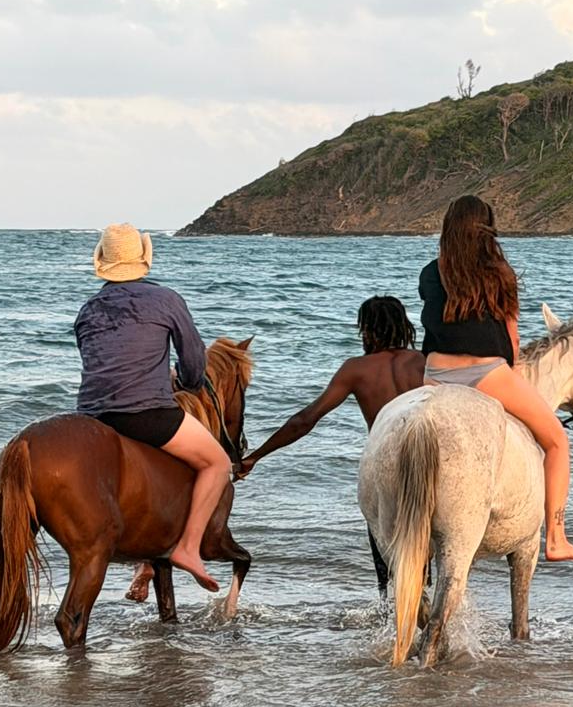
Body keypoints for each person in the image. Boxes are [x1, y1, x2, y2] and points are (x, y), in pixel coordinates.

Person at [419, 195, 573, 563]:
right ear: (487, 229)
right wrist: (512, 373)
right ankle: (557, 539)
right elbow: (512, 341)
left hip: (434, 375)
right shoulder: (500, 273)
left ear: (448, 228)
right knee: (557, 441)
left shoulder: (430, 272)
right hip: (486, 374)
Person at [74, 223, 231, 592]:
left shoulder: (88, 308)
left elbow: (99, 362)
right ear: (143, 259)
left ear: (104, 262)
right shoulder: (165, 299)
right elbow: (194, 360)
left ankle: (142, 559)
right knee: (218, 463)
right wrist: (187, 382)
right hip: (145, 412)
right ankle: (188, 548)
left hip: (92, 417)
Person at [237, 296, 424, 475]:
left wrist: (255, 457)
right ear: (403, 326)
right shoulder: (423, 361)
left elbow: (305, 420)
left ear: (367, 330)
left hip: (384, 456)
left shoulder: (356, 368)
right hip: (425, 453)